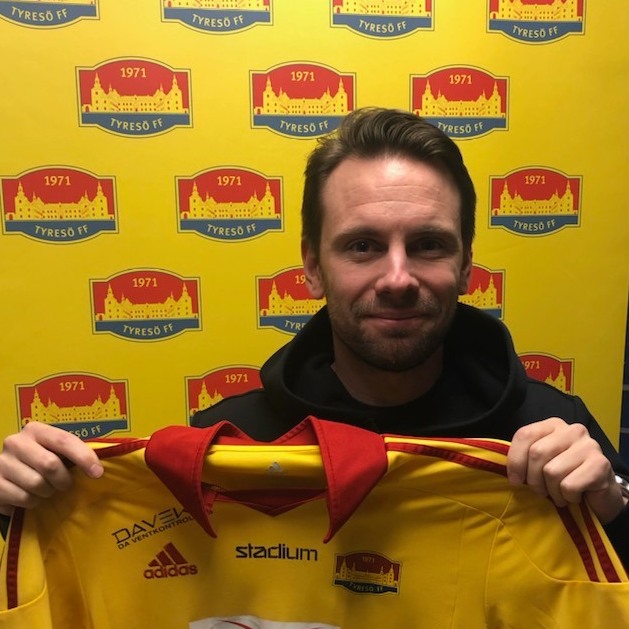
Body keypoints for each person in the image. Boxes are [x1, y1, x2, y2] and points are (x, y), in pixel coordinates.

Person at [1, 107, 628, 563]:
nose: (398, 278)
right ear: (311, 267)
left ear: (466, 265)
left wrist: (613, 505)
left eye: (429, 245)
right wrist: (24, 509)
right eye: (363, 246)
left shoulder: (551, 427)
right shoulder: (229, 439)